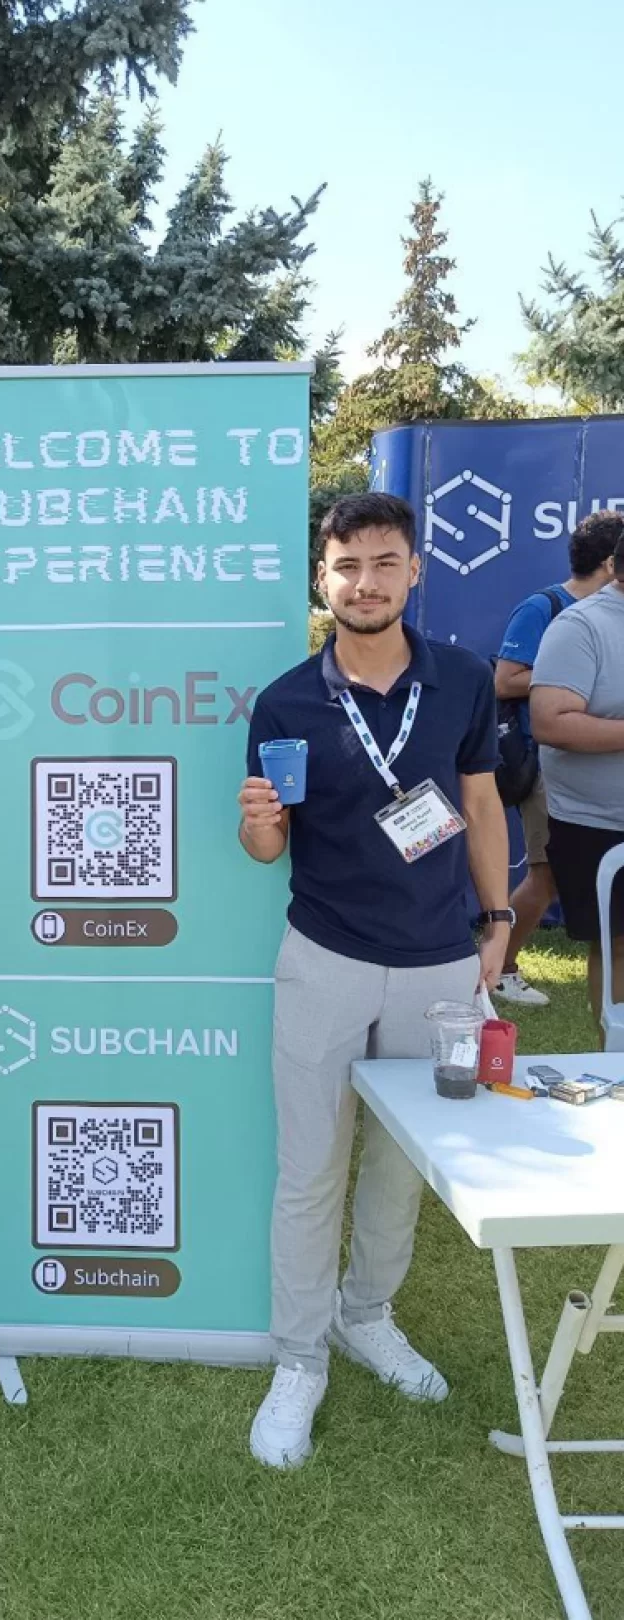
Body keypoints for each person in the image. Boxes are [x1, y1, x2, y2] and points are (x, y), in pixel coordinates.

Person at [239, 492, 509, 1470]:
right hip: (326, 958)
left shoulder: (463, 679)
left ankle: (368, 1317)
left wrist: (499, 921)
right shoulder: (286, 702)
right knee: (310, 1170)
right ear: (323, 578)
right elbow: (266, 845)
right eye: (347, 566)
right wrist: (259, 823)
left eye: (384, 562)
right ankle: (299, 1358)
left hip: (438, 964)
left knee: (399, 1167)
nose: (366, 582)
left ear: (414, 570)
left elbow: (481, 804)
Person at [492, 511, 622, 1006]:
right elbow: (505, 681)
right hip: (545, 767)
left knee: (547, 877)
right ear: (611, 562)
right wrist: (566, 676)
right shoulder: (551, 610)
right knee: (545, 876)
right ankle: (500, 965)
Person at [530, 527, 624, 1031]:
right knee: (617, 946)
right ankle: (617, 1060)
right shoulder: (581, 626)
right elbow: (551, 722)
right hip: (601, 825)